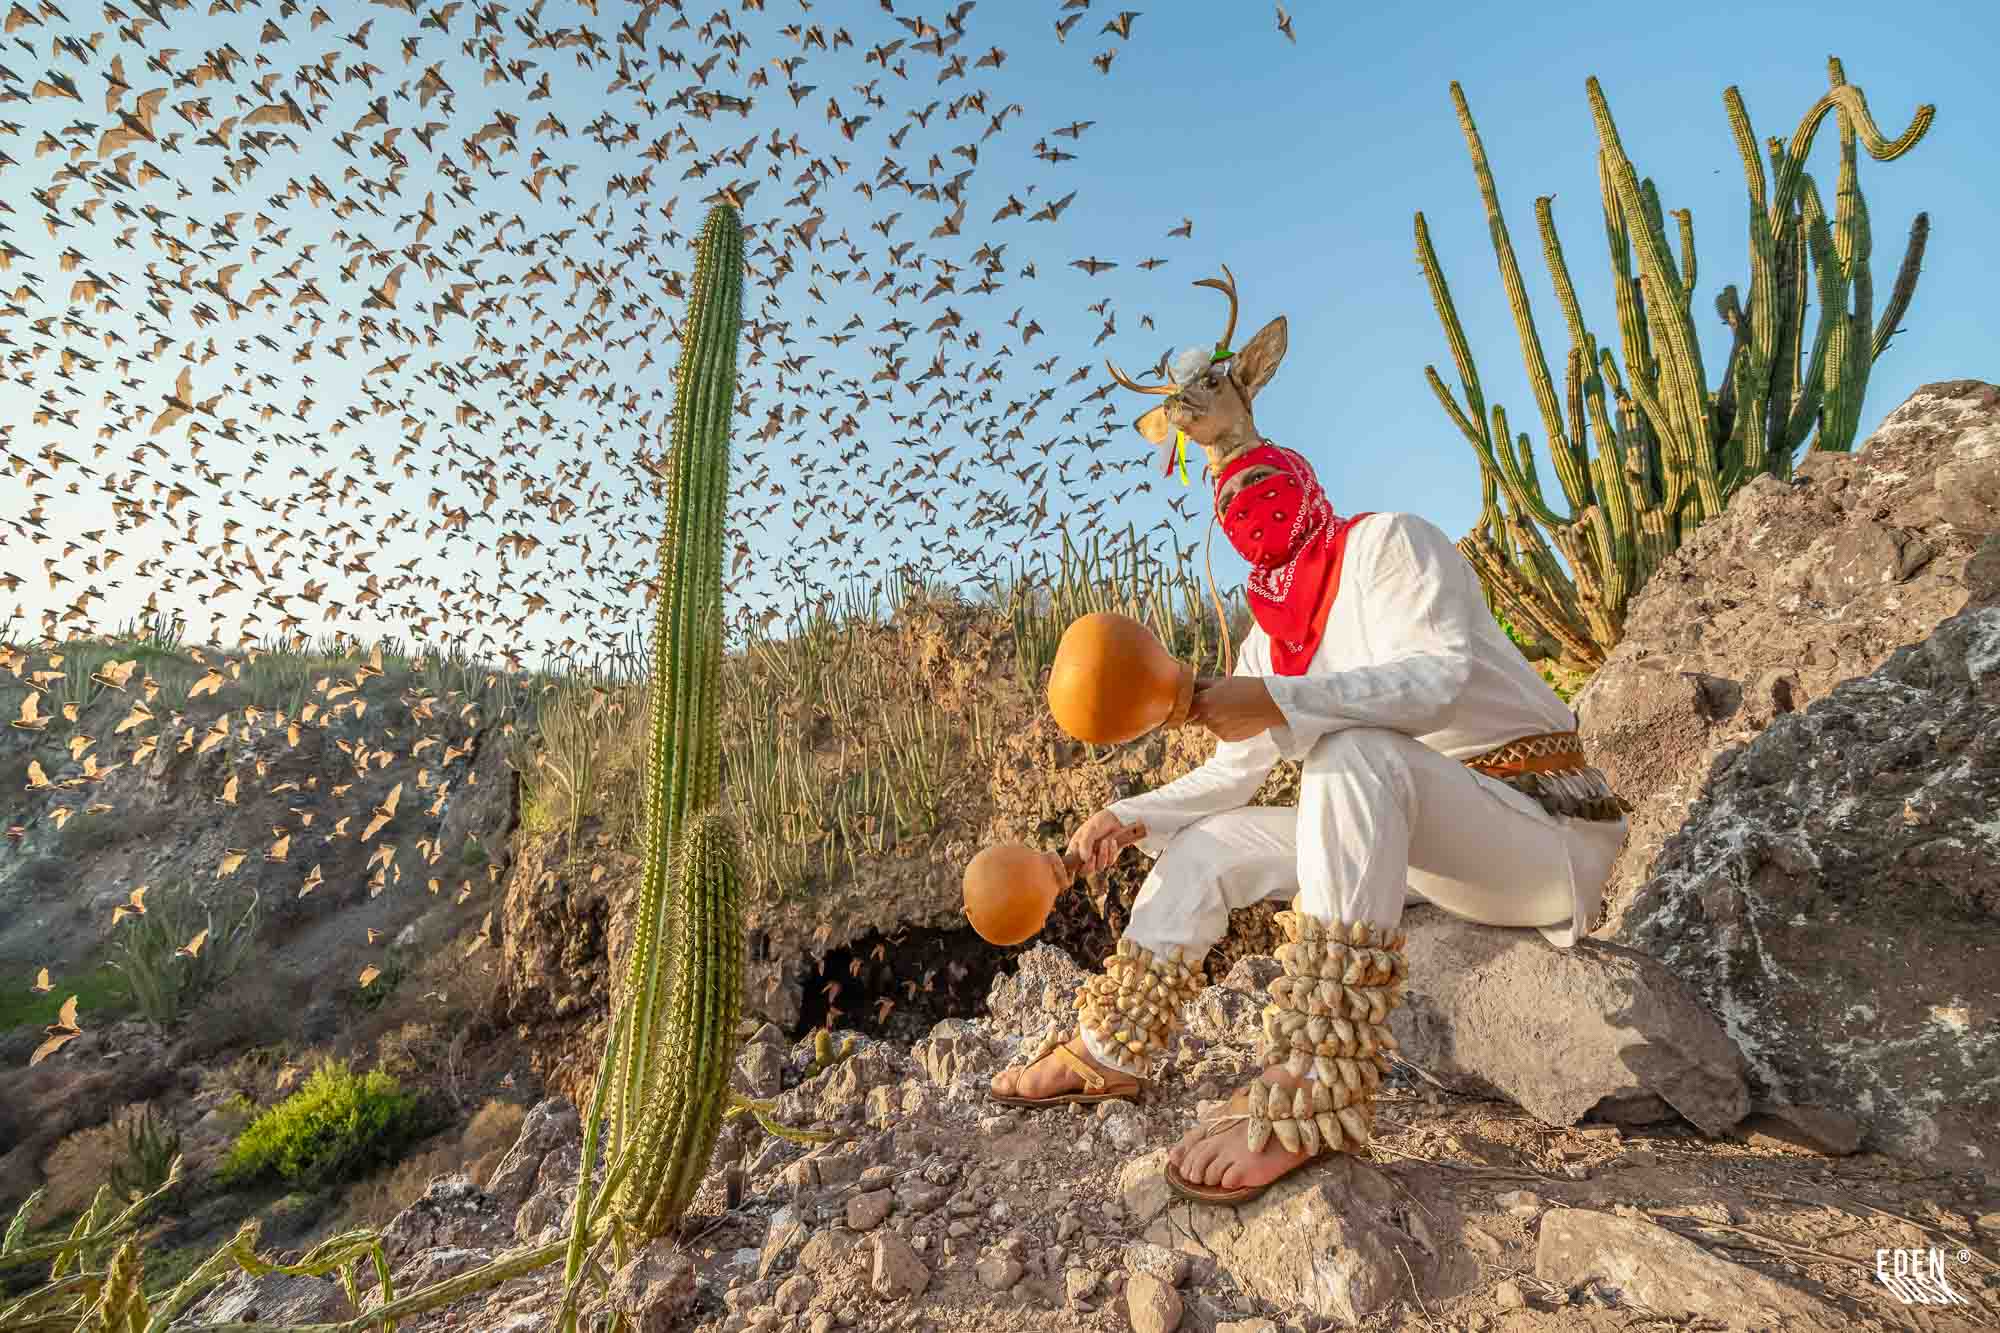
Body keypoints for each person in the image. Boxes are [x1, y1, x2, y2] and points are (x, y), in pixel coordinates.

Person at [987, 267, 1632, 1203]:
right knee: (1209, 846)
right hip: (1426, 847)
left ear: (1300, 477)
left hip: (1542, 837)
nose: (1252, 511)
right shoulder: (1269, 637)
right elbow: (1233, 774)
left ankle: (1312, 1085)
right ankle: (1111, 1048)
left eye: (1262, 485)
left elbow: (1438, 679)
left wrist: (1284, 703)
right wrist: (1128, 812)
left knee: (1351, 750)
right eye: (1232, 505)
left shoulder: (1392, 546)